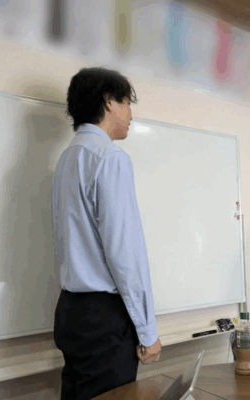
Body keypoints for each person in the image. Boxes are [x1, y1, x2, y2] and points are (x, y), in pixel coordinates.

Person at [51, 67, 162, 400]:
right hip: (104, 320)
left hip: (71, 312)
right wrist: (147, 331)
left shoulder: (66, 159)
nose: (131, 115)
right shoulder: (110, 158)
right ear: (109, 102)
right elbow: (125, 253)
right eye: (127, 103)